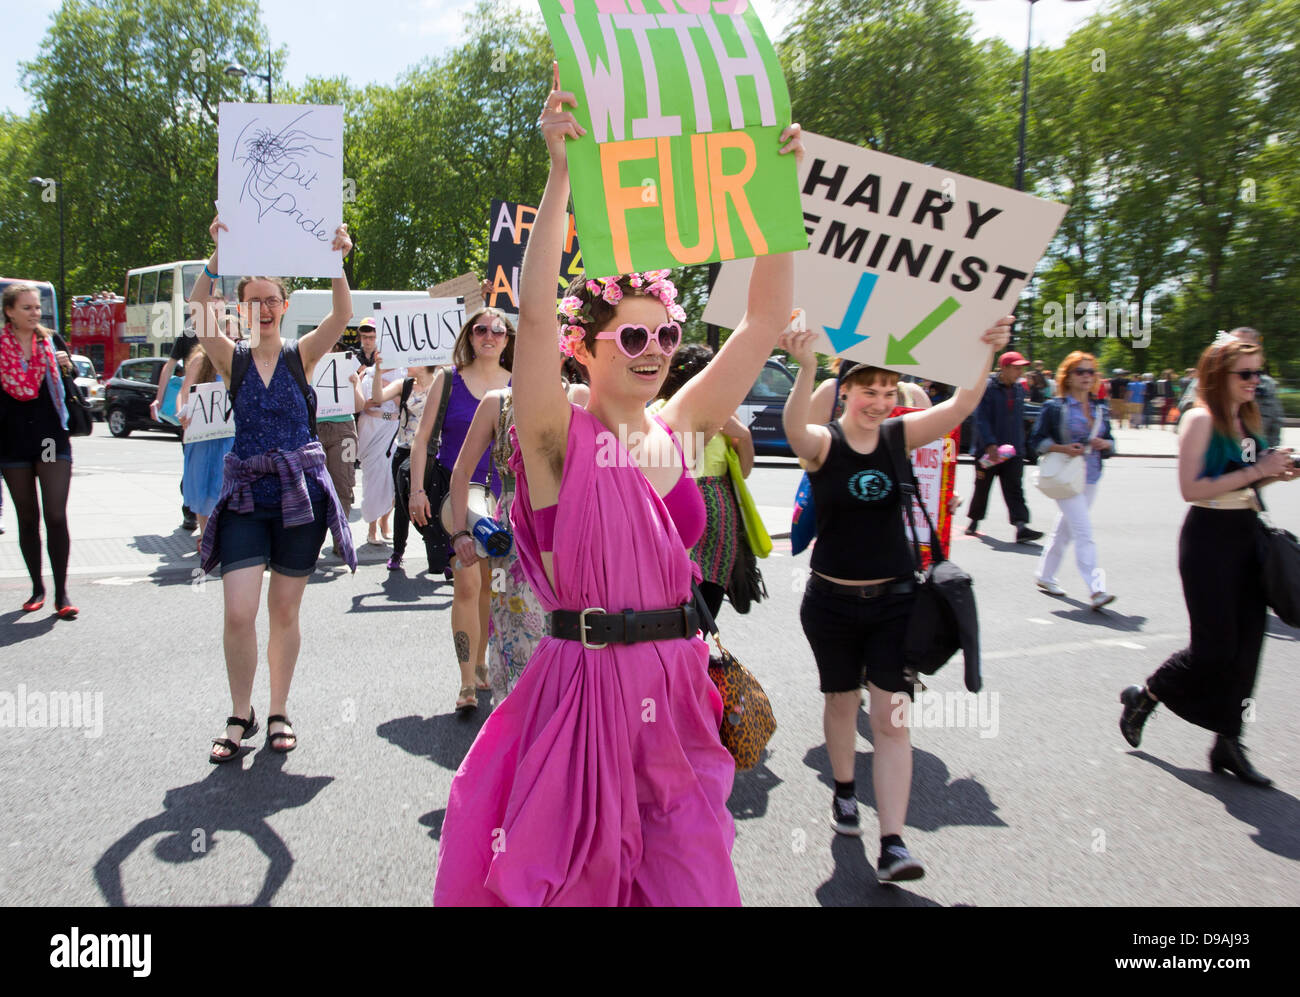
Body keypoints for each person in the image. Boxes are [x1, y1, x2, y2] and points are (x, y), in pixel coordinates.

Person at [432, 68, 803, 906]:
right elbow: (530, 315)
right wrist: (560, 175)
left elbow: (763, 321)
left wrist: (778, 208)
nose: (656, 345)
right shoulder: (558, 438)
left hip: (676, 691)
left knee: (694, 884)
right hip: (585, 692)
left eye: (666, 330)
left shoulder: (682, 422)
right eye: (632, 331)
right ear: (585, 346)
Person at [783, 315, 1013, 883]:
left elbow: (959, 407)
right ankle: (842, 789)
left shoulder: (897, 436)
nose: (881, 401)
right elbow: (794, 430)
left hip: (895, 603)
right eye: (870, 390)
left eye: (889, 391)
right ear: (846, 391)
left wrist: (986, 349)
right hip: (830, 605)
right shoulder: (823, 445)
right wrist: (806, 367)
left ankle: (893, 844)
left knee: (892, 720)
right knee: (841, 703)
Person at [190, 214, 357, 763]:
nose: (263, 307)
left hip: (298, 496)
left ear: (284, 306)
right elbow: (199, 311)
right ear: (243, 307)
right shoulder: (229, 358)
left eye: (272, 299)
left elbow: (342, 315)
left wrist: (336, 260)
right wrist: (216, 255)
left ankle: (280, 708)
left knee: (284, 611)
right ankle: (241, 714)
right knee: (238, 612)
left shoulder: (300, 354)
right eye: (253, 299)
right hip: (243, 496)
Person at [1119, 338, 1298, 786]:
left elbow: (1246, 484)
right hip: (1209, 541)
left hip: (1247, 536)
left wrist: (1276, 472)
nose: (1256, 381)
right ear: (1219, 376)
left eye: (1259, 372)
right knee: (1213, 649)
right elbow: (1193, 489)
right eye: (1246, 374)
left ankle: (1229, 743)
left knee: (1248, 648)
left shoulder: (1247, 420)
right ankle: (1146, 695)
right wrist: (1260, 470)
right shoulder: (1200, 420)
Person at [408, 308, 514, 712]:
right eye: (480, 329)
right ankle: (467, 681)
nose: (489, 336)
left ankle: (483, 663)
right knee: (468, 584)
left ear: (507, 338)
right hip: (460, 493)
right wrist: (417, 489)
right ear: (470, 336)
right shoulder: (447, 380)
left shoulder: (519, 383)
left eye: (497, 330)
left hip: (506, 497)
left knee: (492, 586)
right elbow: (421, 440)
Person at [648, 344, 756, 620]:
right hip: (677, 519)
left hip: (720, 528)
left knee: (708, 604)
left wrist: (743, 435)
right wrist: (705, 427)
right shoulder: (660, 413)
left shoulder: (725, 415)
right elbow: (676, 464)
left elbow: (744, 471)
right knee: (677, 602)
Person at [1, 283, 80, 618]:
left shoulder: (50, 340)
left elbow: (71, 381)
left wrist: (67, 366)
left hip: (49, 439)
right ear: (9, 312)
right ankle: (37, 587)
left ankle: (62, 594)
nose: (35, 314)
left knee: (55, 515)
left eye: (37, 308)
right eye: (27, 308)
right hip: (12, 441)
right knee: (27, 517)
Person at [1028, 352, 1116, 608]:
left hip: (1091, 476)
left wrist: (1105, 443)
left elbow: (1111, 443)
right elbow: (1035, 441)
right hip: (1065, 478)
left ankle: (1044, 575)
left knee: (1064, 529)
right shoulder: (1055, 407)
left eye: (1091, 372)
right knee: (1084, 531)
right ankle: (1096, 588)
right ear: (1068, 376)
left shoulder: (1101, 408)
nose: (1087, 376)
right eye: (1081, 372)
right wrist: (1063, 448)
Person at [370, 359, 441, 573]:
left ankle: (442, 554)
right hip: (404, 451)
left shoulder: (442, 383)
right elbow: (377, 398)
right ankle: (398, 553)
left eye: (411, 358)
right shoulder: (405, 384)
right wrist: (378, 372)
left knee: (436, 503)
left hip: (433, 452)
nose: (405, 361)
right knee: (402, 505)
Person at [966, 351, 1043, 543]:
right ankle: (974, 520)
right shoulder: (987, 388)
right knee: (982, 487)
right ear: (1004, 368)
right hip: (988, 451)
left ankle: (1021, 526)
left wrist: (1022, 448)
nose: (1020, 372)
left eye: (1021, 369)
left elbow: (1018, 421)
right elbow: (981, 419)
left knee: (1015, 489)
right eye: (1016, 368)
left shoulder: (1018, 390)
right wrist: (990, 444)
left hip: (1013, 451)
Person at [176, 331, 242, 546]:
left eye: (235, 335)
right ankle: (207, 537)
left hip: (229, 435)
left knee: (224, 485)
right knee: (202, 483)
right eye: (227, 333)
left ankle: (223, 535)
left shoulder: (241, 359)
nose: (230, 339)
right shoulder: (201, 360)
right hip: (202, 435)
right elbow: (184, 392)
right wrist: (182, 414)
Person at [356, 330, 400, 544]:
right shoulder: (367, 374)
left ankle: (385, 521)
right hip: (370, 429)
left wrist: (390, 389)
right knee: (373, 479)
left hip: (393, 429)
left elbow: (407, 403)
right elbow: (361, 403)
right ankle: (372, 528)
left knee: (391, 479)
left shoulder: (403, 375)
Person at [316, 341, 360, 551]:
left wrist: (354, 383)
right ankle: (312, 541)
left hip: (344, 430)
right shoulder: (306, 365)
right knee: (314, 487)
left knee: (343, 483)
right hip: (313, 429)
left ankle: (340, 539)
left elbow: (360, 405)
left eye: (330, 345)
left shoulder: (347, 367)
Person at [1229, 328, 1284, 448]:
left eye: (1248, 346)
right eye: (1237, 346)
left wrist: (1270, 457)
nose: (1254, 380)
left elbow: (1275, 426)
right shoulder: (1206, 386)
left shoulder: (1267, 385)